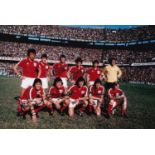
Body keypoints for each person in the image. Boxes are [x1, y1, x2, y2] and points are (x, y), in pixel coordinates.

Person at [13, 48, 38, 115]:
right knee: (22, 96)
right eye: (32, 54)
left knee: (32, 96)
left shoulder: (36, 62)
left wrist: (37, 77)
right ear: (28, 55)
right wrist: (19, 75)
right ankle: (20, 110)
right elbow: (14, 67)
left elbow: (39, 70)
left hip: (33, 80)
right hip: (26, 80)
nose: (33, 56)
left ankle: (31, 109)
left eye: (34, 54)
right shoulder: (24, 61)